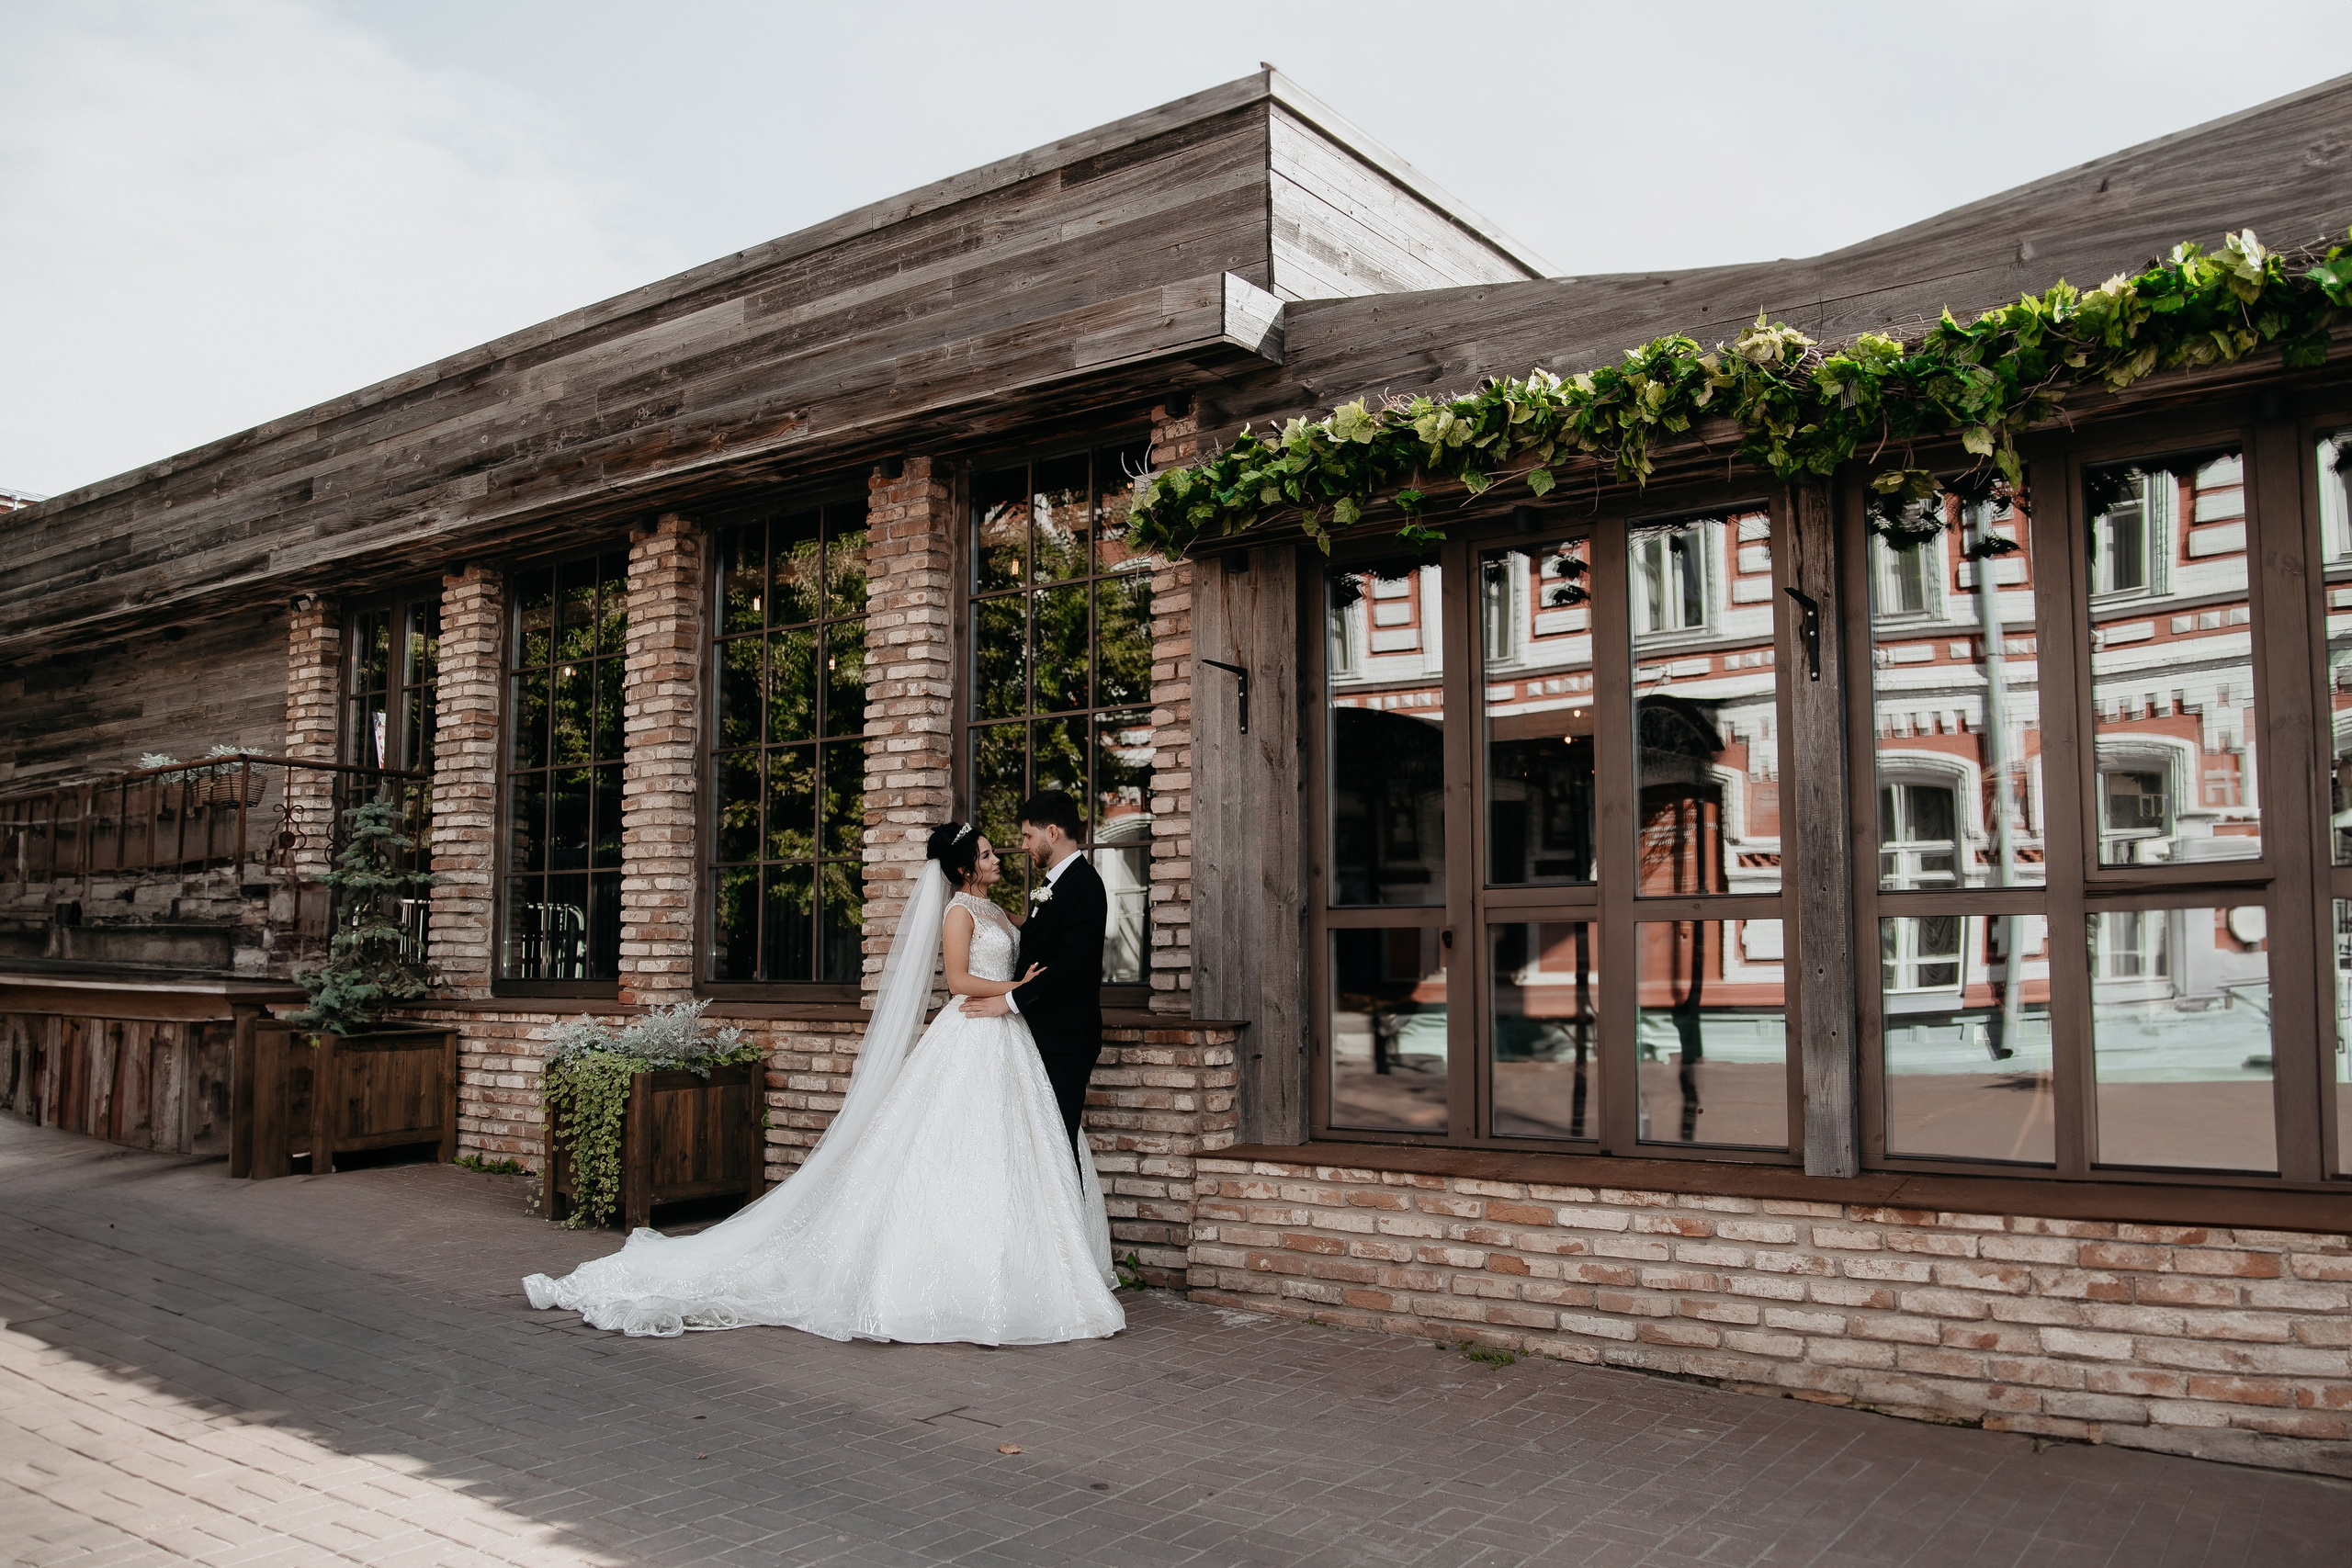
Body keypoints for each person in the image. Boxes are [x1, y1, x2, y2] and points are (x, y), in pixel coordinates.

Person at [520, 822, 1124, 1344]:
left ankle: (1013, 1260)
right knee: (947, 1147)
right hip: (972, 1030)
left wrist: (1037, 976)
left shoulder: (999, 910)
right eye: (987, 854)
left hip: (1009, 1037)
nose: (998, 859)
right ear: (966, 867)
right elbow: (961, 982)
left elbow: (1037, 937)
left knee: (1005, 1151)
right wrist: (1018, 990)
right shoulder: (959, 912)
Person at [959, 791, 1107, 1171]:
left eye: (1028, 836)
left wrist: (1007, 1001)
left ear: (1052, 832)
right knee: (1036, 1147)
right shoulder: (1056, 882)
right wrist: (991, 912)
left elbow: (1071, 965)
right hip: (1041, 1033)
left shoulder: (1085, 885)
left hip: (1065, 1039)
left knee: (1057, 1147)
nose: (1023, 845)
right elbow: (1042, 935)